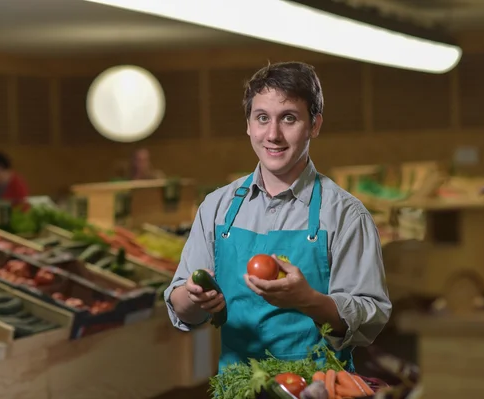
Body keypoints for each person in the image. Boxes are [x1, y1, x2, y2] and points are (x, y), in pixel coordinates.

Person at [164, 62, 391, 372]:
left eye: (289, 118)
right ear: (248, 125)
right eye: (262, 118)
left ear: (315, 125)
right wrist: (193, 299)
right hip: (236, 389)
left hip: (318, 389)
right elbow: (182, 310)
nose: (273, 134)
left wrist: (308, 299)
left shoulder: (345, 215)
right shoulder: (217, 208)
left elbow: (371, 316)